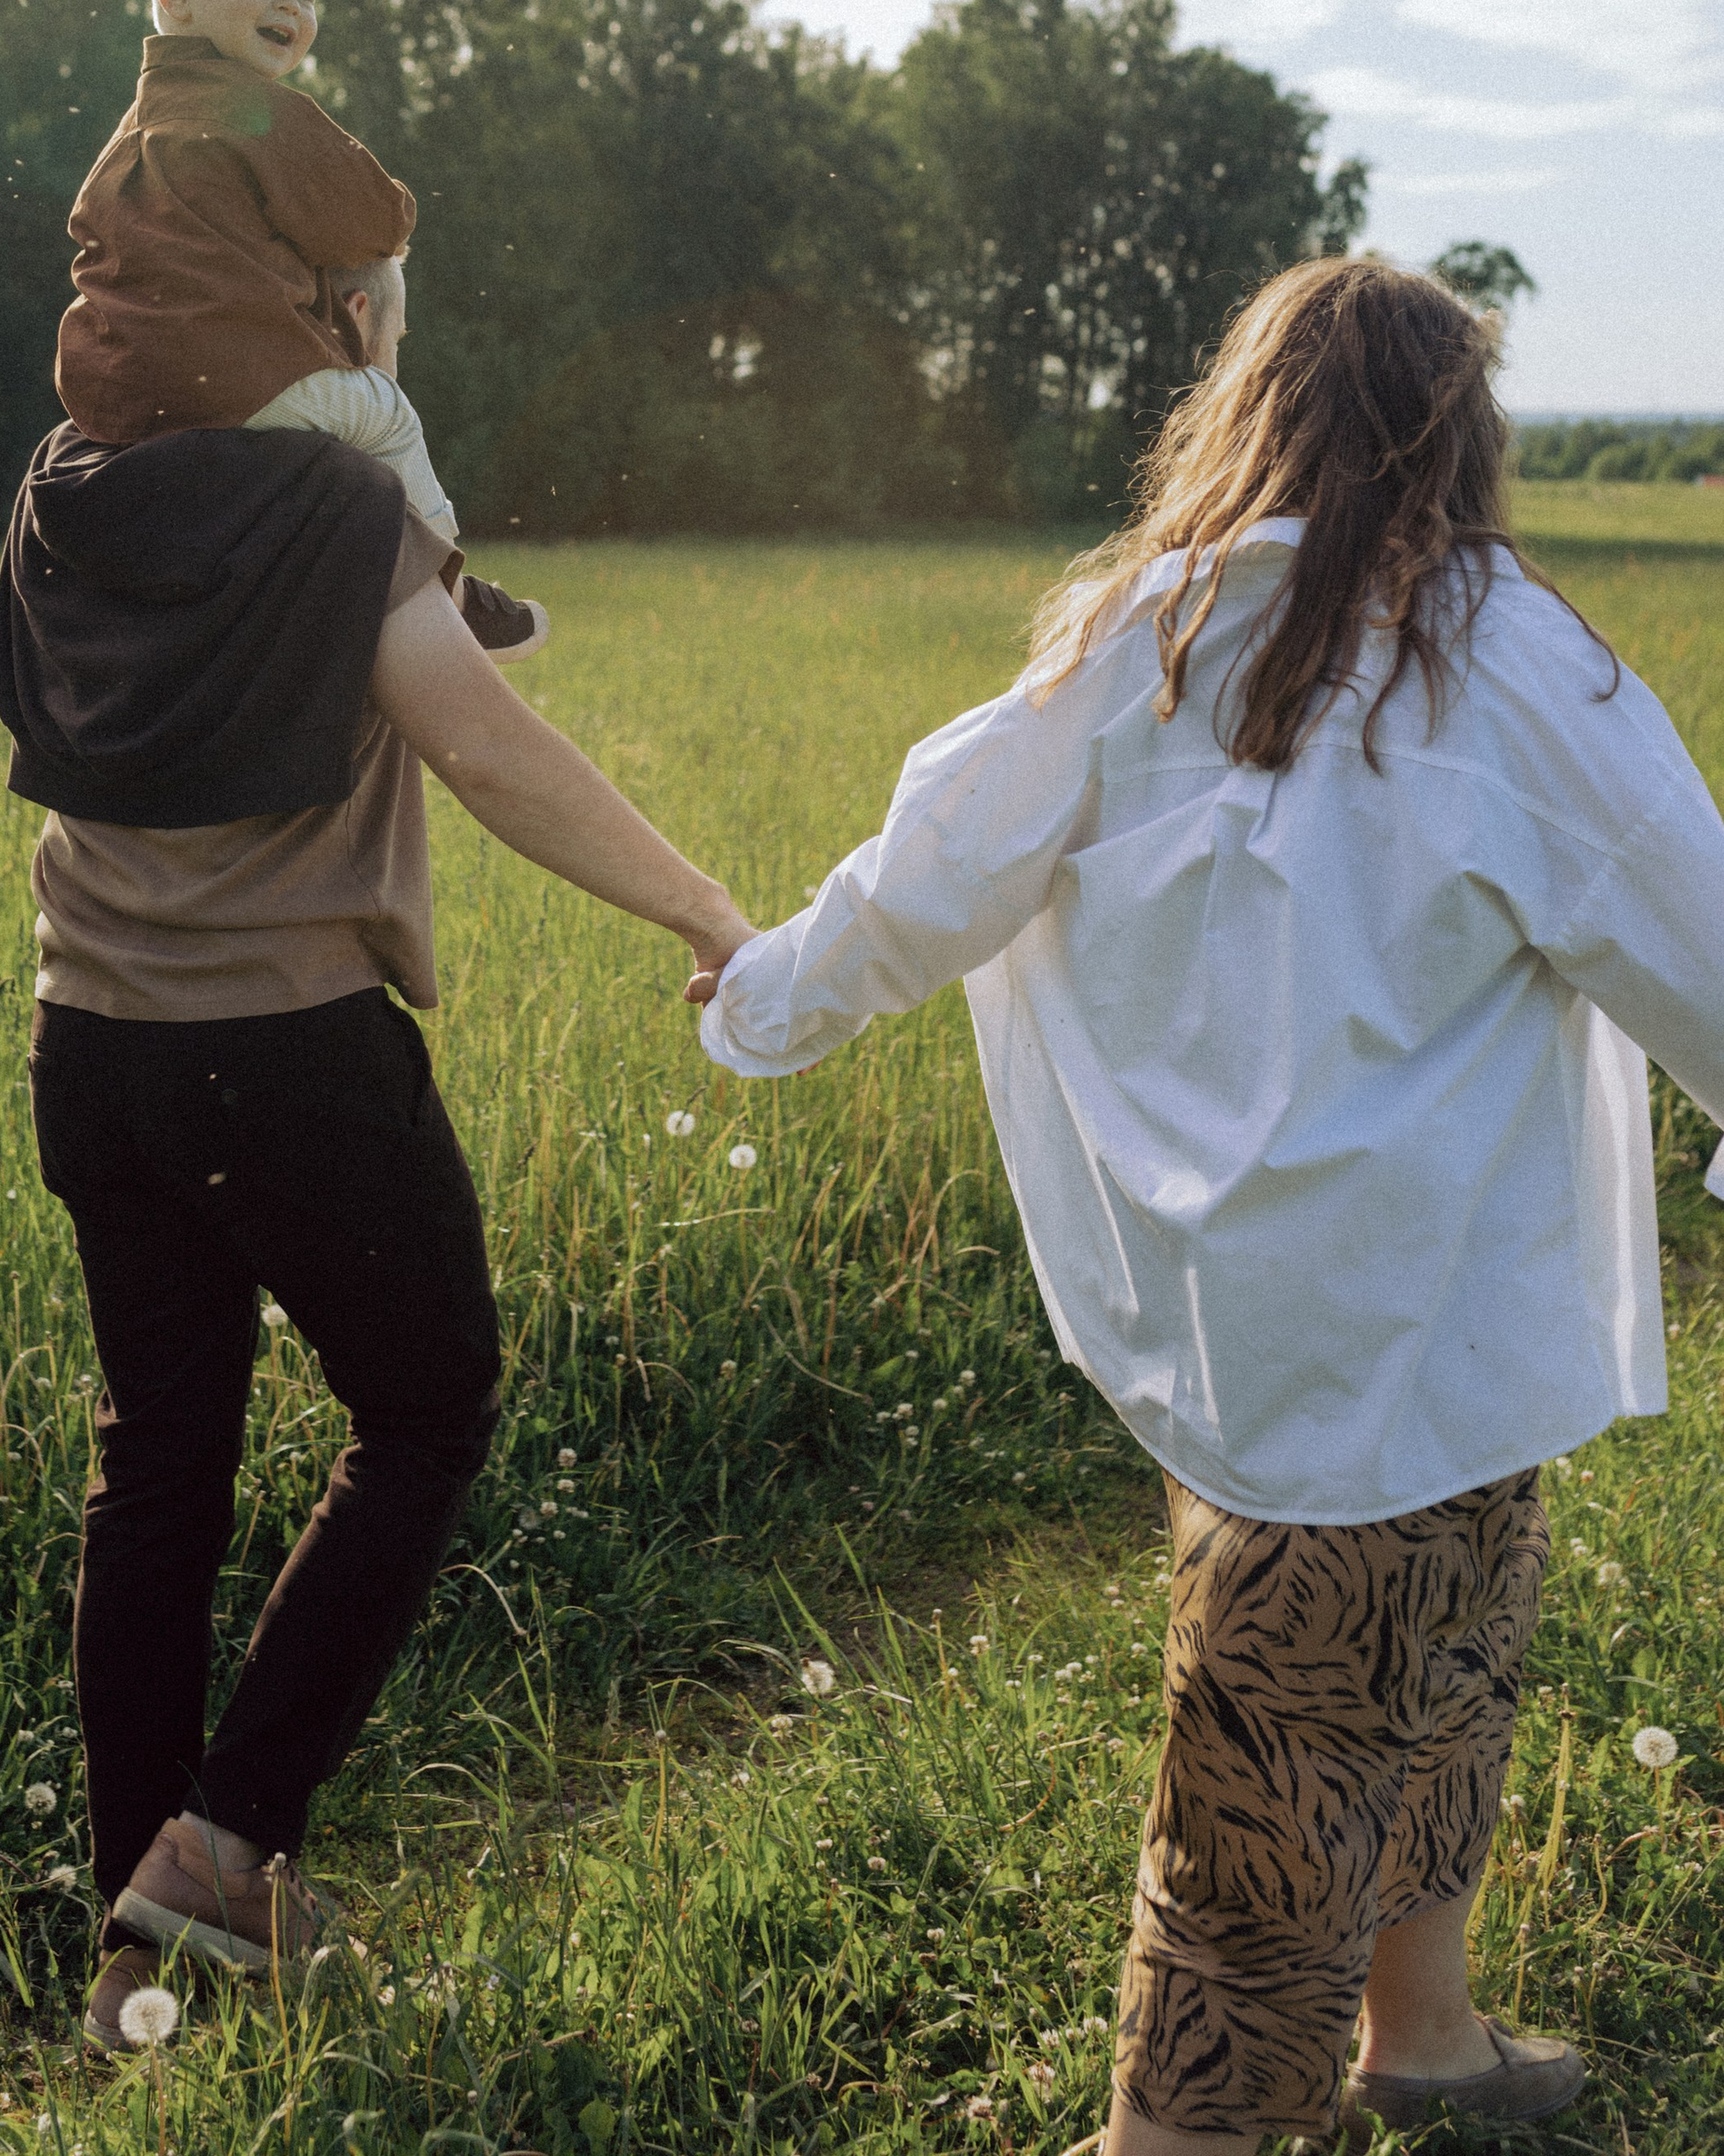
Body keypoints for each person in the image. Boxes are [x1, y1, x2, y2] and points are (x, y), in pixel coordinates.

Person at [696, 257, 1724, 2154]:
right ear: (1460, 436)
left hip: (1246, 1307)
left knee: (1444, 1663)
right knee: (1268, 1784)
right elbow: (1699, 928)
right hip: (1418, 1311)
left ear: (1243, 417)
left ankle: (1420, 2039)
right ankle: (1167, 2141)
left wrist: (771, 993)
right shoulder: (1505, 659)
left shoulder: (1130, 634)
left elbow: (929, 875)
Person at [0, 407, 751, 2054]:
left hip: (91, 1045)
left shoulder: (67, 482)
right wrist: (707, 908)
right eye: (382, 309)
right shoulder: (339, 506)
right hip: (288, 1057)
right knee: (426, 1407)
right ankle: (225, 1841)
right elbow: (483, 746)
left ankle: (127, 1959)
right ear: (327, 313)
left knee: (161, 1462)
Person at [56, 0, 544, 654]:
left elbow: (89, 231)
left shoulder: (129, 134)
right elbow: (375, 217)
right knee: (386, 418)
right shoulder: (255, 111)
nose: (289, 5)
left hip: (124, 402)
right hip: (243, 377)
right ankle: (448, 590)